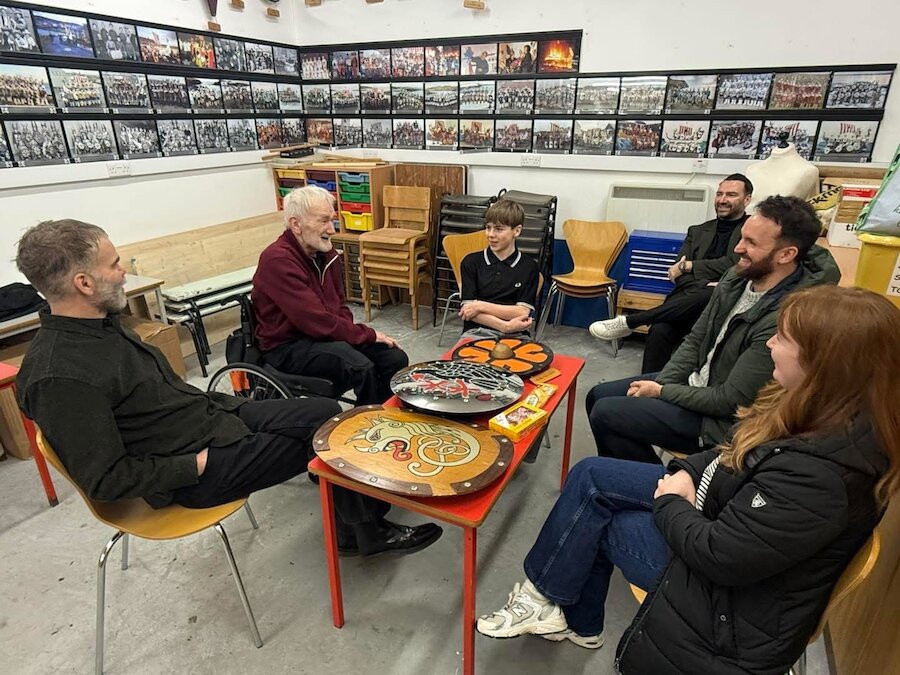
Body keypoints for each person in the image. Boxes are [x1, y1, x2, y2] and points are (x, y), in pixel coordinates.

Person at [477, 285, 899, 674]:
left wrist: (673, 501)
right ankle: (553, 605)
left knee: (602, 521)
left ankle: (567, 613)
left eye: (784, 339)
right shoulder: (820, 411)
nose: (770, 343)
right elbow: (734, 449)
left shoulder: (822, 474)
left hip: (731, 606)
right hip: (726, 515)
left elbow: (720, 557)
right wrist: (686, 471)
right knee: (591, 474)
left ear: (827, 363)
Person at [15, 219, 441, 557]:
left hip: (210, 419)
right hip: (190, 470)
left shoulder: (101, 327)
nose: (123, 272)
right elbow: (106, 481)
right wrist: (193, 466)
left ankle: (353, 530)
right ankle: (367, 533)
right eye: (114, 265)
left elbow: (168, 396)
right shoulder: (60, 376)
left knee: (331, 412)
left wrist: (235, 407)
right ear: (84, 284)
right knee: (331, 442)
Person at [586, 195, 839, 464]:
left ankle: (664, 490)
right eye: (742, 237)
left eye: (751, 243)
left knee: (607, 412)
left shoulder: (785, 318)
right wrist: (662, 382)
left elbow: (731, 401)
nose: (739, 249)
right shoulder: (738, 277)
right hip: (699, 383)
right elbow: (696, 339)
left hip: (721, 422)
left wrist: (661, 392)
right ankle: (648, 479)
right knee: (597, 396)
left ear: (787, 254)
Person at [252, 186, 408, 405]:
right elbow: (314, 320)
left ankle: (383, 413)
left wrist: (357, 337)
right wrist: (367, 334)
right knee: (361, 367)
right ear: (296, 224)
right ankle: (366, 427)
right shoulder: (277, 261)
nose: (332, 229)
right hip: (288, 346)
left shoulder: (327, 254)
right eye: (323, 221)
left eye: (332, 220)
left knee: (394, 358)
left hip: (320, 335)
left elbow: (339, 307)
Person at [590, 174, 753, 372]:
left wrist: (692, 266)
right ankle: (644, 388)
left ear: (747, 200)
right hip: (686, 303)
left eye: (731, 195)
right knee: (660, 329)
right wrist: (701, 282)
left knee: (717, 291)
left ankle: (632, 321)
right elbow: (678, 272)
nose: (722, 200)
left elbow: (736, 264)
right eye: (719, 194)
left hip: (727, 305)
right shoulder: (697, 231)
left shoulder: (753, 231)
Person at [457, 199, 540, 339]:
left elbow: (521, 312)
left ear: (517, 231)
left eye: (499, 229)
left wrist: (480, 306)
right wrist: (505, 326)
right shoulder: (471, 262)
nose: (490, 234)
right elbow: (468, 311)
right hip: (476, 332)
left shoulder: (529, 267)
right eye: (488, 227)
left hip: (517, 333)